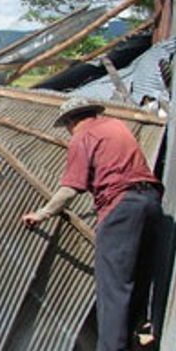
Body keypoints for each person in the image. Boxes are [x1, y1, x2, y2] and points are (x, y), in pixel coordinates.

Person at [21, 97, 163, 351]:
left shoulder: (82, 136)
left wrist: (42, 213)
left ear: (70, 121)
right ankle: (137, 336)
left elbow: (70, 188)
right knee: (139, 278)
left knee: (113, 287)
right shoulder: (117, 127)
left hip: (121, 207)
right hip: (151, 201)